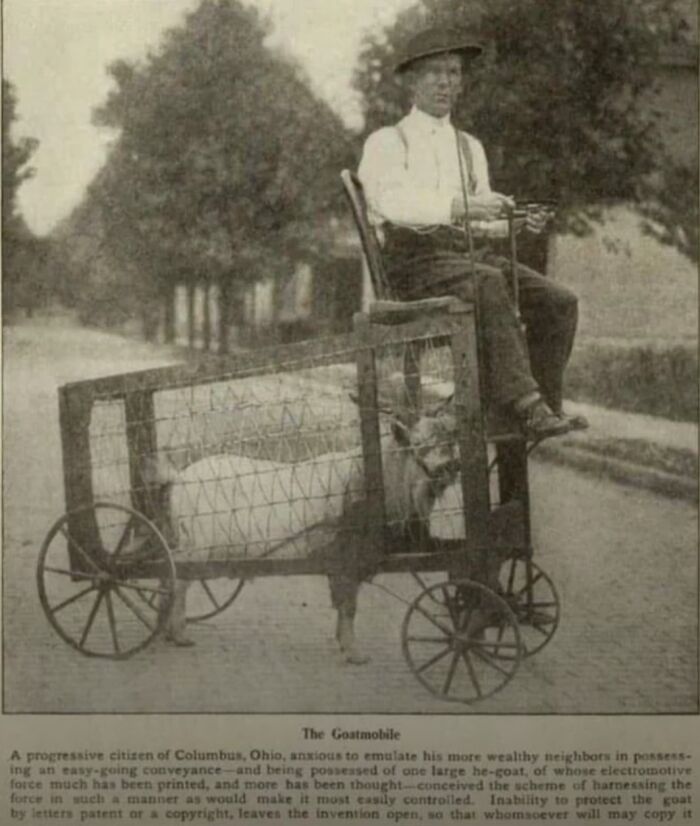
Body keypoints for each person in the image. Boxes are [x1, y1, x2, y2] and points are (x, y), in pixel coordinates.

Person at [358, 26, 587, 438]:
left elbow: (480, 222)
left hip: (466, 258)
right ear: (411, 81)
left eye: (454, 73)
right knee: (489, 281)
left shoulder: (469, 147)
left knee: (558, 301)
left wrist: (513, 223)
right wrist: (461, 206)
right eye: (433, 73)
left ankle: (542, 407)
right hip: (414, 263)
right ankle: (525, 404)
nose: (445, 82)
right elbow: (392, 204)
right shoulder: (388, 143)